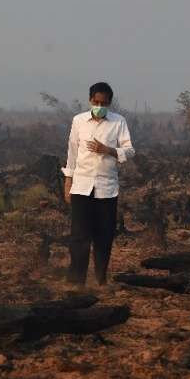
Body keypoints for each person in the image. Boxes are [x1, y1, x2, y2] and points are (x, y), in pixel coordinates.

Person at [62, 82, 135, 287]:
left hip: (107, 189)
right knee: (79, 236)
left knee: (104, 236)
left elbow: (130, 150)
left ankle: (100, 279)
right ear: (90, 100)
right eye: (96, 102)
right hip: (81, 186)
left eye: (104, 103)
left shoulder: (118, 122)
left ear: (110, 103)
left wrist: (109, 150)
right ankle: (77, 281)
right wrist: (68, 182)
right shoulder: (79, 121)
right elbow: (72, 153)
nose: (99, 105)